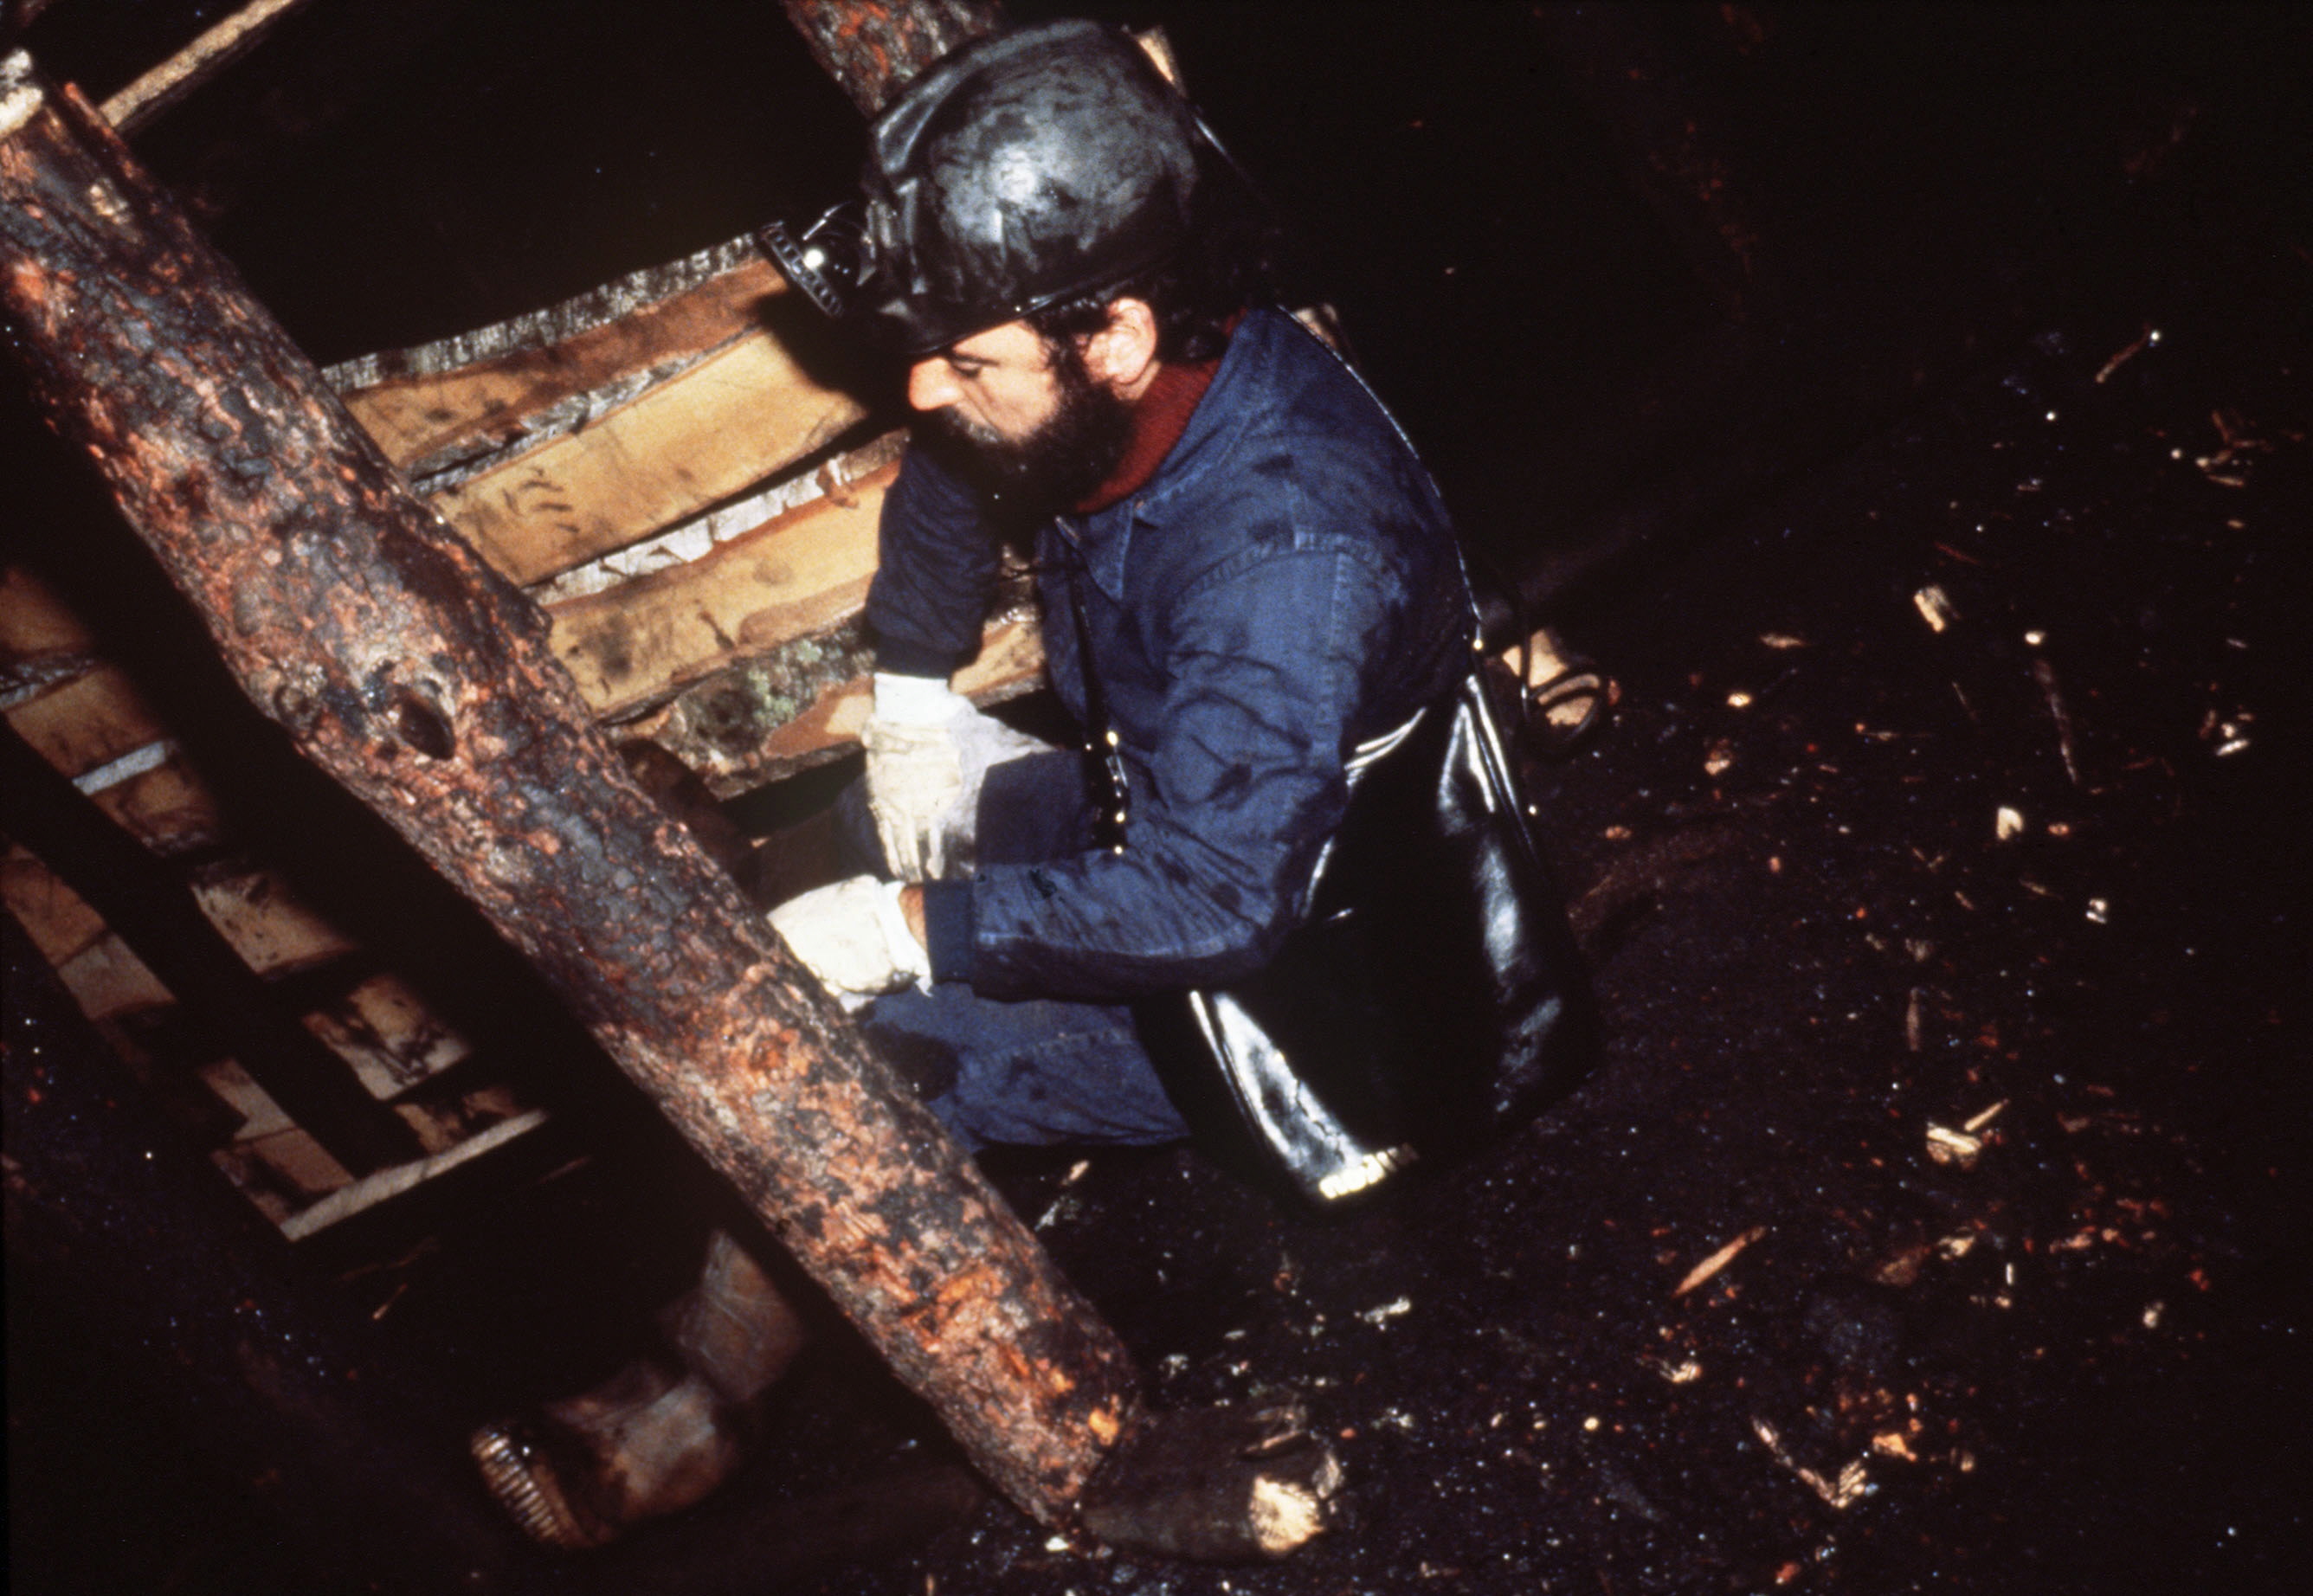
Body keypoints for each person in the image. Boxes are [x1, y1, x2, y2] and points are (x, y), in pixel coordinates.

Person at [764, 17, 1480, 1164]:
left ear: (1115, 340)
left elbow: (1215, 901)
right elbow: (955, 469)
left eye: (966, 362)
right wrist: (913, 698)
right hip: (1154, 796)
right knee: (870, 820)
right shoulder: (1123, 386)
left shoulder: (1282, 555)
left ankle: (708, 1351)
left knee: (833, 1074)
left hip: (1314, 960)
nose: (923, 389)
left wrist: (904, 934)